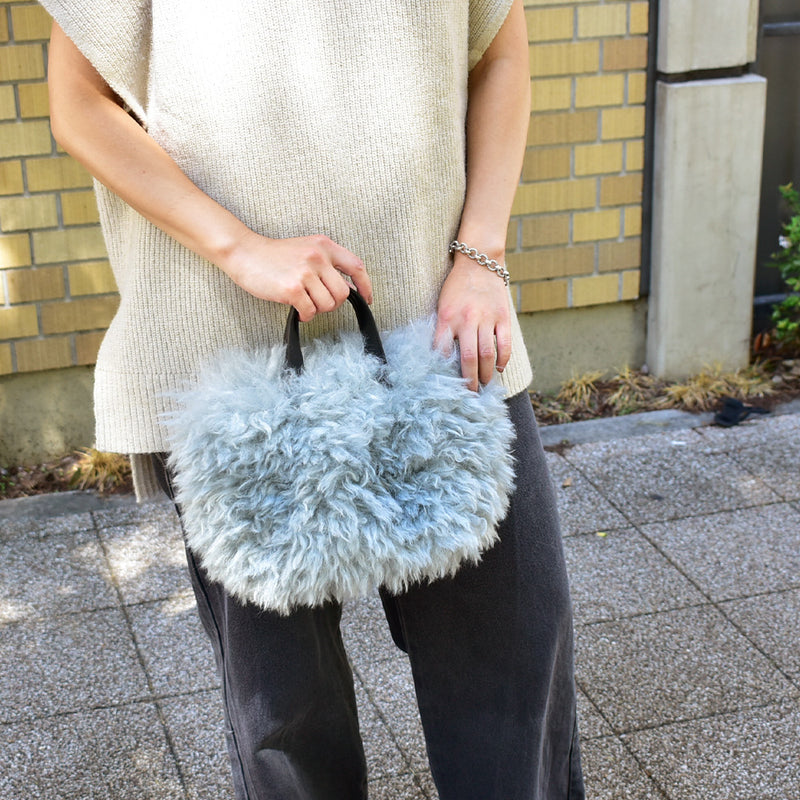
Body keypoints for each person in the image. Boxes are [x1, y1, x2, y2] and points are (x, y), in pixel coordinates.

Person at [44, 1, 584, 797]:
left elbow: (498, 50)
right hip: (227, 355)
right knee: (286, 715)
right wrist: (240, 248)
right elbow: (79, 103)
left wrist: (483, 254)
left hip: (442, 329)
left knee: (513, 666)